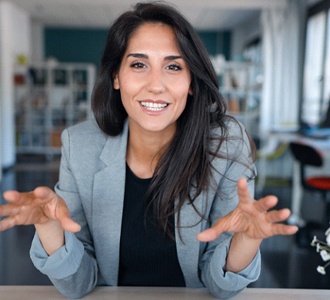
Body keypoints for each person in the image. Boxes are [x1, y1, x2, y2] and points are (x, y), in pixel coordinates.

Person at [0, 2, 298, 299]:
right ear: (116, 76)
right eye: (139, 64)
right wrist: (51, 229)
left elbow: (220, 287)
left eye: (173, 66)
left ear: (191, 81)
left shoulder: (226, 145)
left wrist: (245, 241)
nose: (156, 85)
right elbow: (78, 284)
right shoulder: (80, 146)